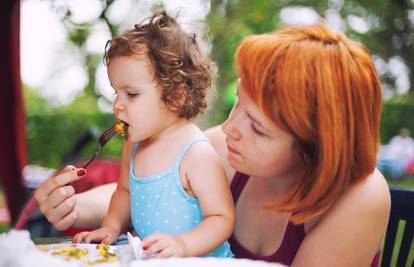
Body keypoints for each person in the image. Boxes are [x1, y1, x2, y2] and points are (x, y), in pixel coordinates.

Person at [34, 24, 390, 266]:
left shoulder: (359, 196)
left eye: (259, 128)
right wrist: (75, 207)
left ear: (317, 149)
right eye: (238, 103)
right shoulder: (226, 145)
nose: (230, 128)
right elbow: (146, 188)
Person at [39, 11, 235, 258]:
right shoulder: (134, 145)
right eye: (115, 94)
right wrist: (110, 226)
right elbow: (124, 192)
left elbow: (221, 218)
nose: (117, 106)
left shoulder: (195, 152)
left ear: (175, 97)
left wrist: (183, 245)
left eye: (131, 94)